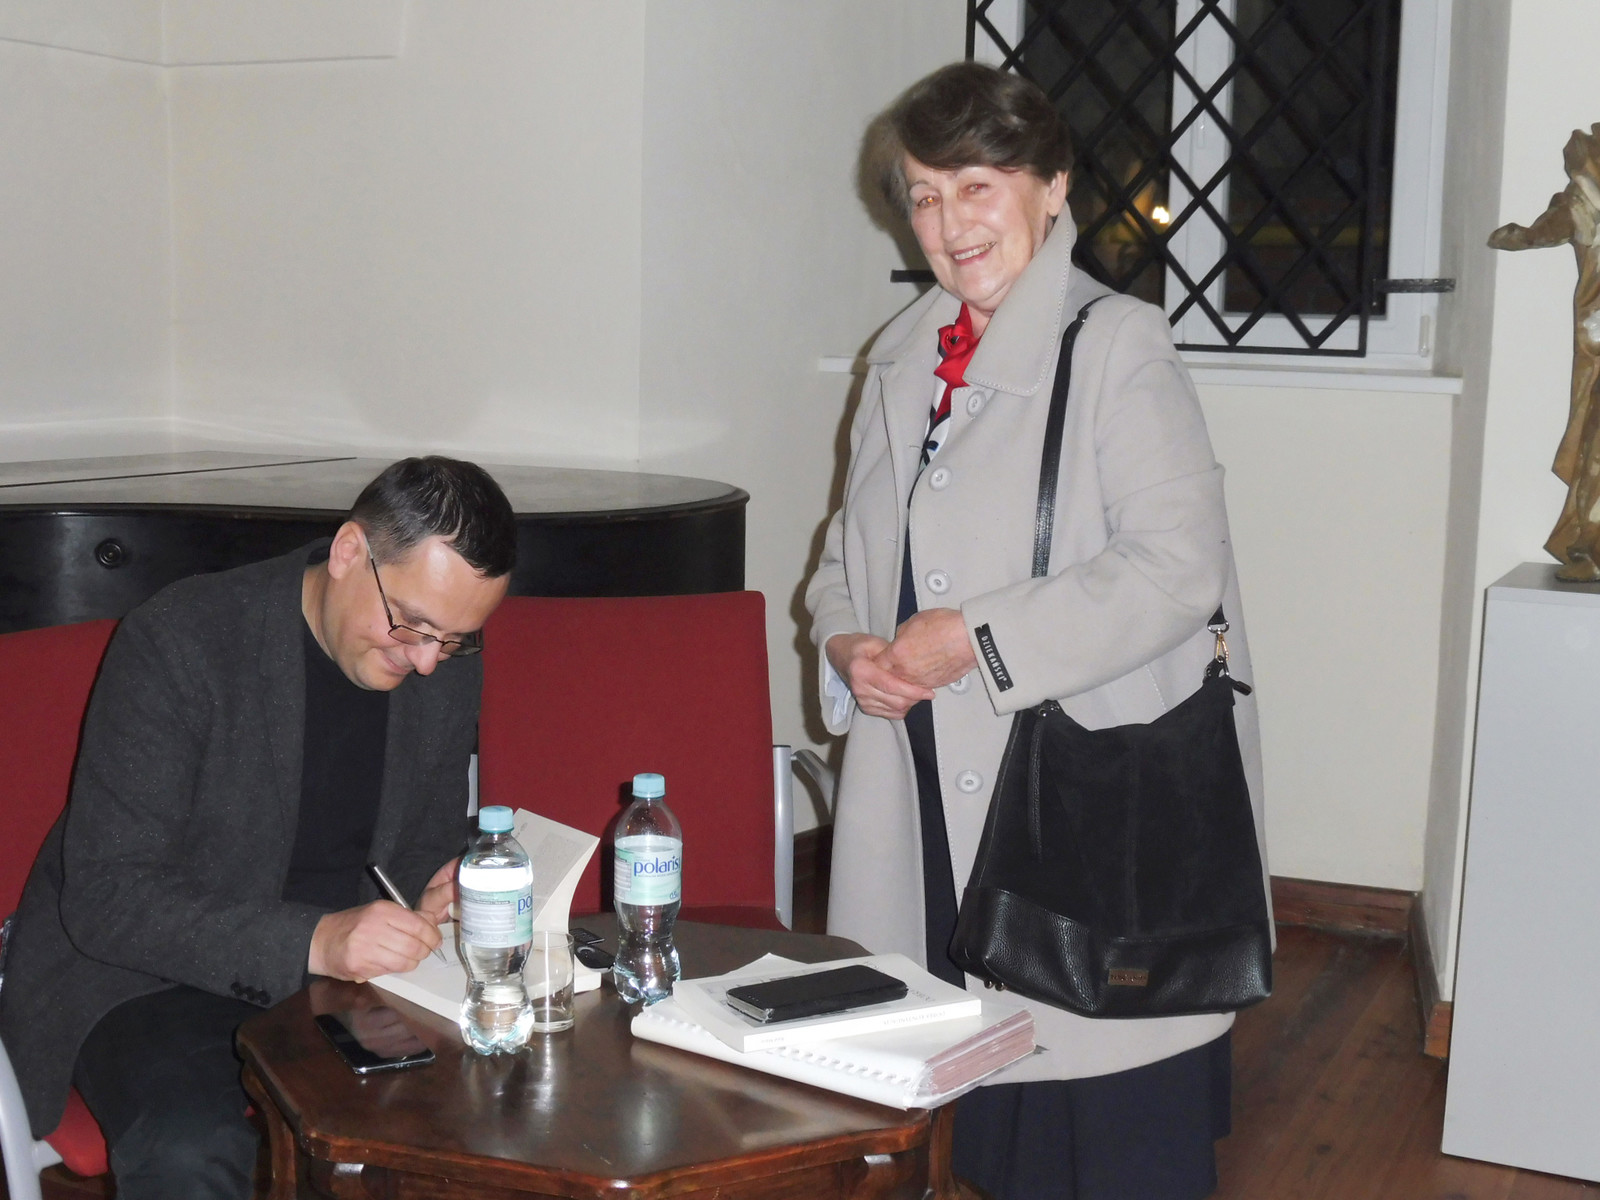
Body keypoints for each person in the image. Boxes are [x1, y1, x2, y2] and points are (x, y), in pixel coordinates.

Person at [805, 63, 1266, 1200]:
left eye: (977, 186)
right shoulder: (900, 360)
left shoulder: (1118, 346)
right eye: (923, 195)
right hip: (925, 793)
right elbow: (841, 557)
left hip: (1081, 808)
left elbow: (1177, 568)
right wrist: (848, 648)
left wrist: (976, 640)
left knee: (1104, 1130)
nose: (948, 223)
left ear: (1052, 188)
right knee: (982, 1137)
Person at [0, 456, 517, 1199]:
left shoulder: (443, 660)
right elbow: (108, 897)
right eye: (414, 624)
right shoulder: (184, 638)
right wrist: (316, 941)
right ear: (349, 552)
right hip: (146, 974)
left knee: (479, 1097)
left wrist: (437, 892)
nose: (430, 662)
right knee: (192, 1147)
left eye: (457, 638)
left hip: (338, 978)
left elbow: (416, 844)